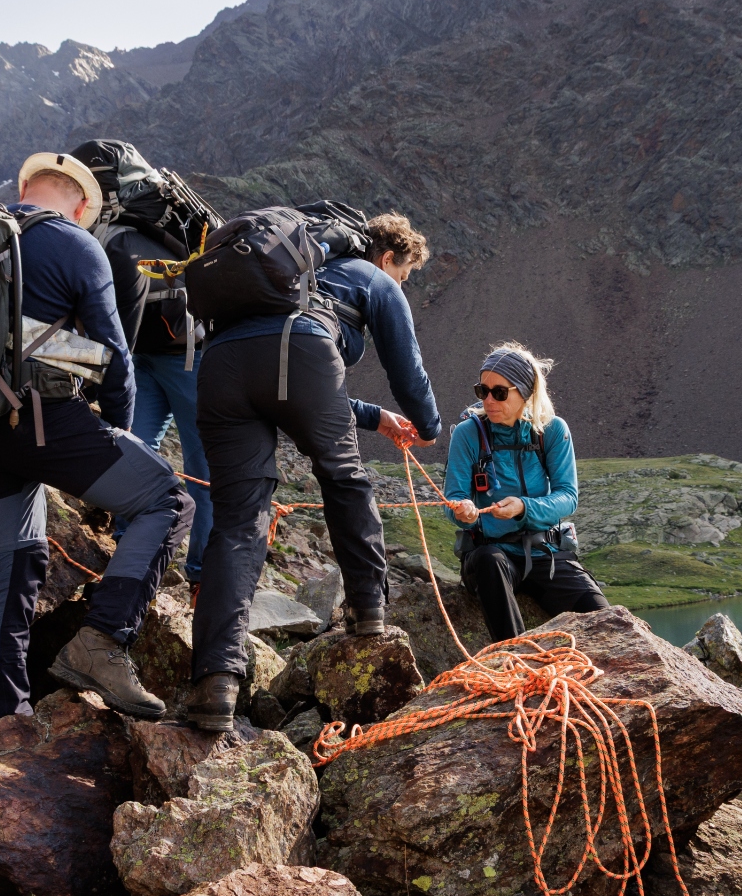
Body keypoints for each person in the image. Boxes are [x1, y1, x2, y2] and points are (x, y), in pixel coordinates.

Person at [0, 151, 193, 725]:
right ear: (83, 206)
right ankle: (101, 642)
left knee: (12, 569)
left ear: (23, 186)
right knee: (168, 501)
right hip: (48, 424)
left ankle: (5, 719)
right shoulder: (75, 244)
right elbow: (115, 361)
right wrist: (115, 429)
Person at [188, 211, 442, 731]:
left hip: (220, 365)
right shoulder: (371, 277)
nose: (401, 284)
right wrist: (429, 425)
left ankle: (215, 682)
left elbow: (294, 378)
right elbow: (405, 369)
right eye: (404, 275)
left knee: (238, 520)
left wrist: (374, 417)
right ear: (387, 257)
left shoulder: (286, 277)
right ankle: (369, 610)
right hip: (298, 352)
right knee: (343, 477)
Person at [75, 141, 214, 590]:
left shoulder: (114, 240)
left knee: (157, 452)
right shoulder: (131, 235)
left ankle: (178, 567)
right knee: (196, 466)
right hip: (179, 354)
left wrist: (85, 389)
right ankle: (189, 573)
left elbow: (118, 338)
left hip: (168, 356)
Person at [443, 343, 607, 644]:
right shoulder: (468, 434)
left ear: (526, 392)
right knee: (488, 560)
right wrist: (463, 512)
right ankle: (517, 661)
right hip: (490, 555)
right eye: (483, 391)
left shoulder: (552, 430)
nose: (489, 400)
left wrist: (523, 507)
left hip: (547, 553)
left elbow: (568, 496)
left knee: (604, 622)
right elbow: (452, 498)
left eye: (500, 392)